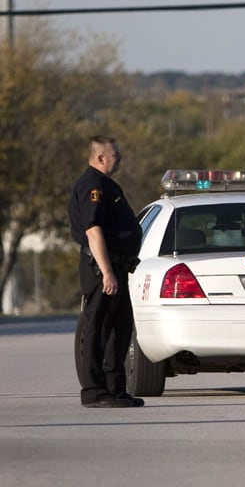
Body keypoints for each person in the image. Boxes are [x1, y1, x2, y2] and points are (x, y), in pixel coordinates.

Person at [68, 136, 144, 408]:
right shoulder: (93, 185)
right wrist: (107, 272)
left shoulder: (105, 184)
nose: (120, 157)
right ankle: (95, 391)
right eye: (115, 154)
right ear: (101, 158)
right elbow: (93, 230)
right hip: (102, 268)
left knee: (119, 329)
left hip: (114, 266)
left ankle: (115, 388)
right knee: (98, 328)